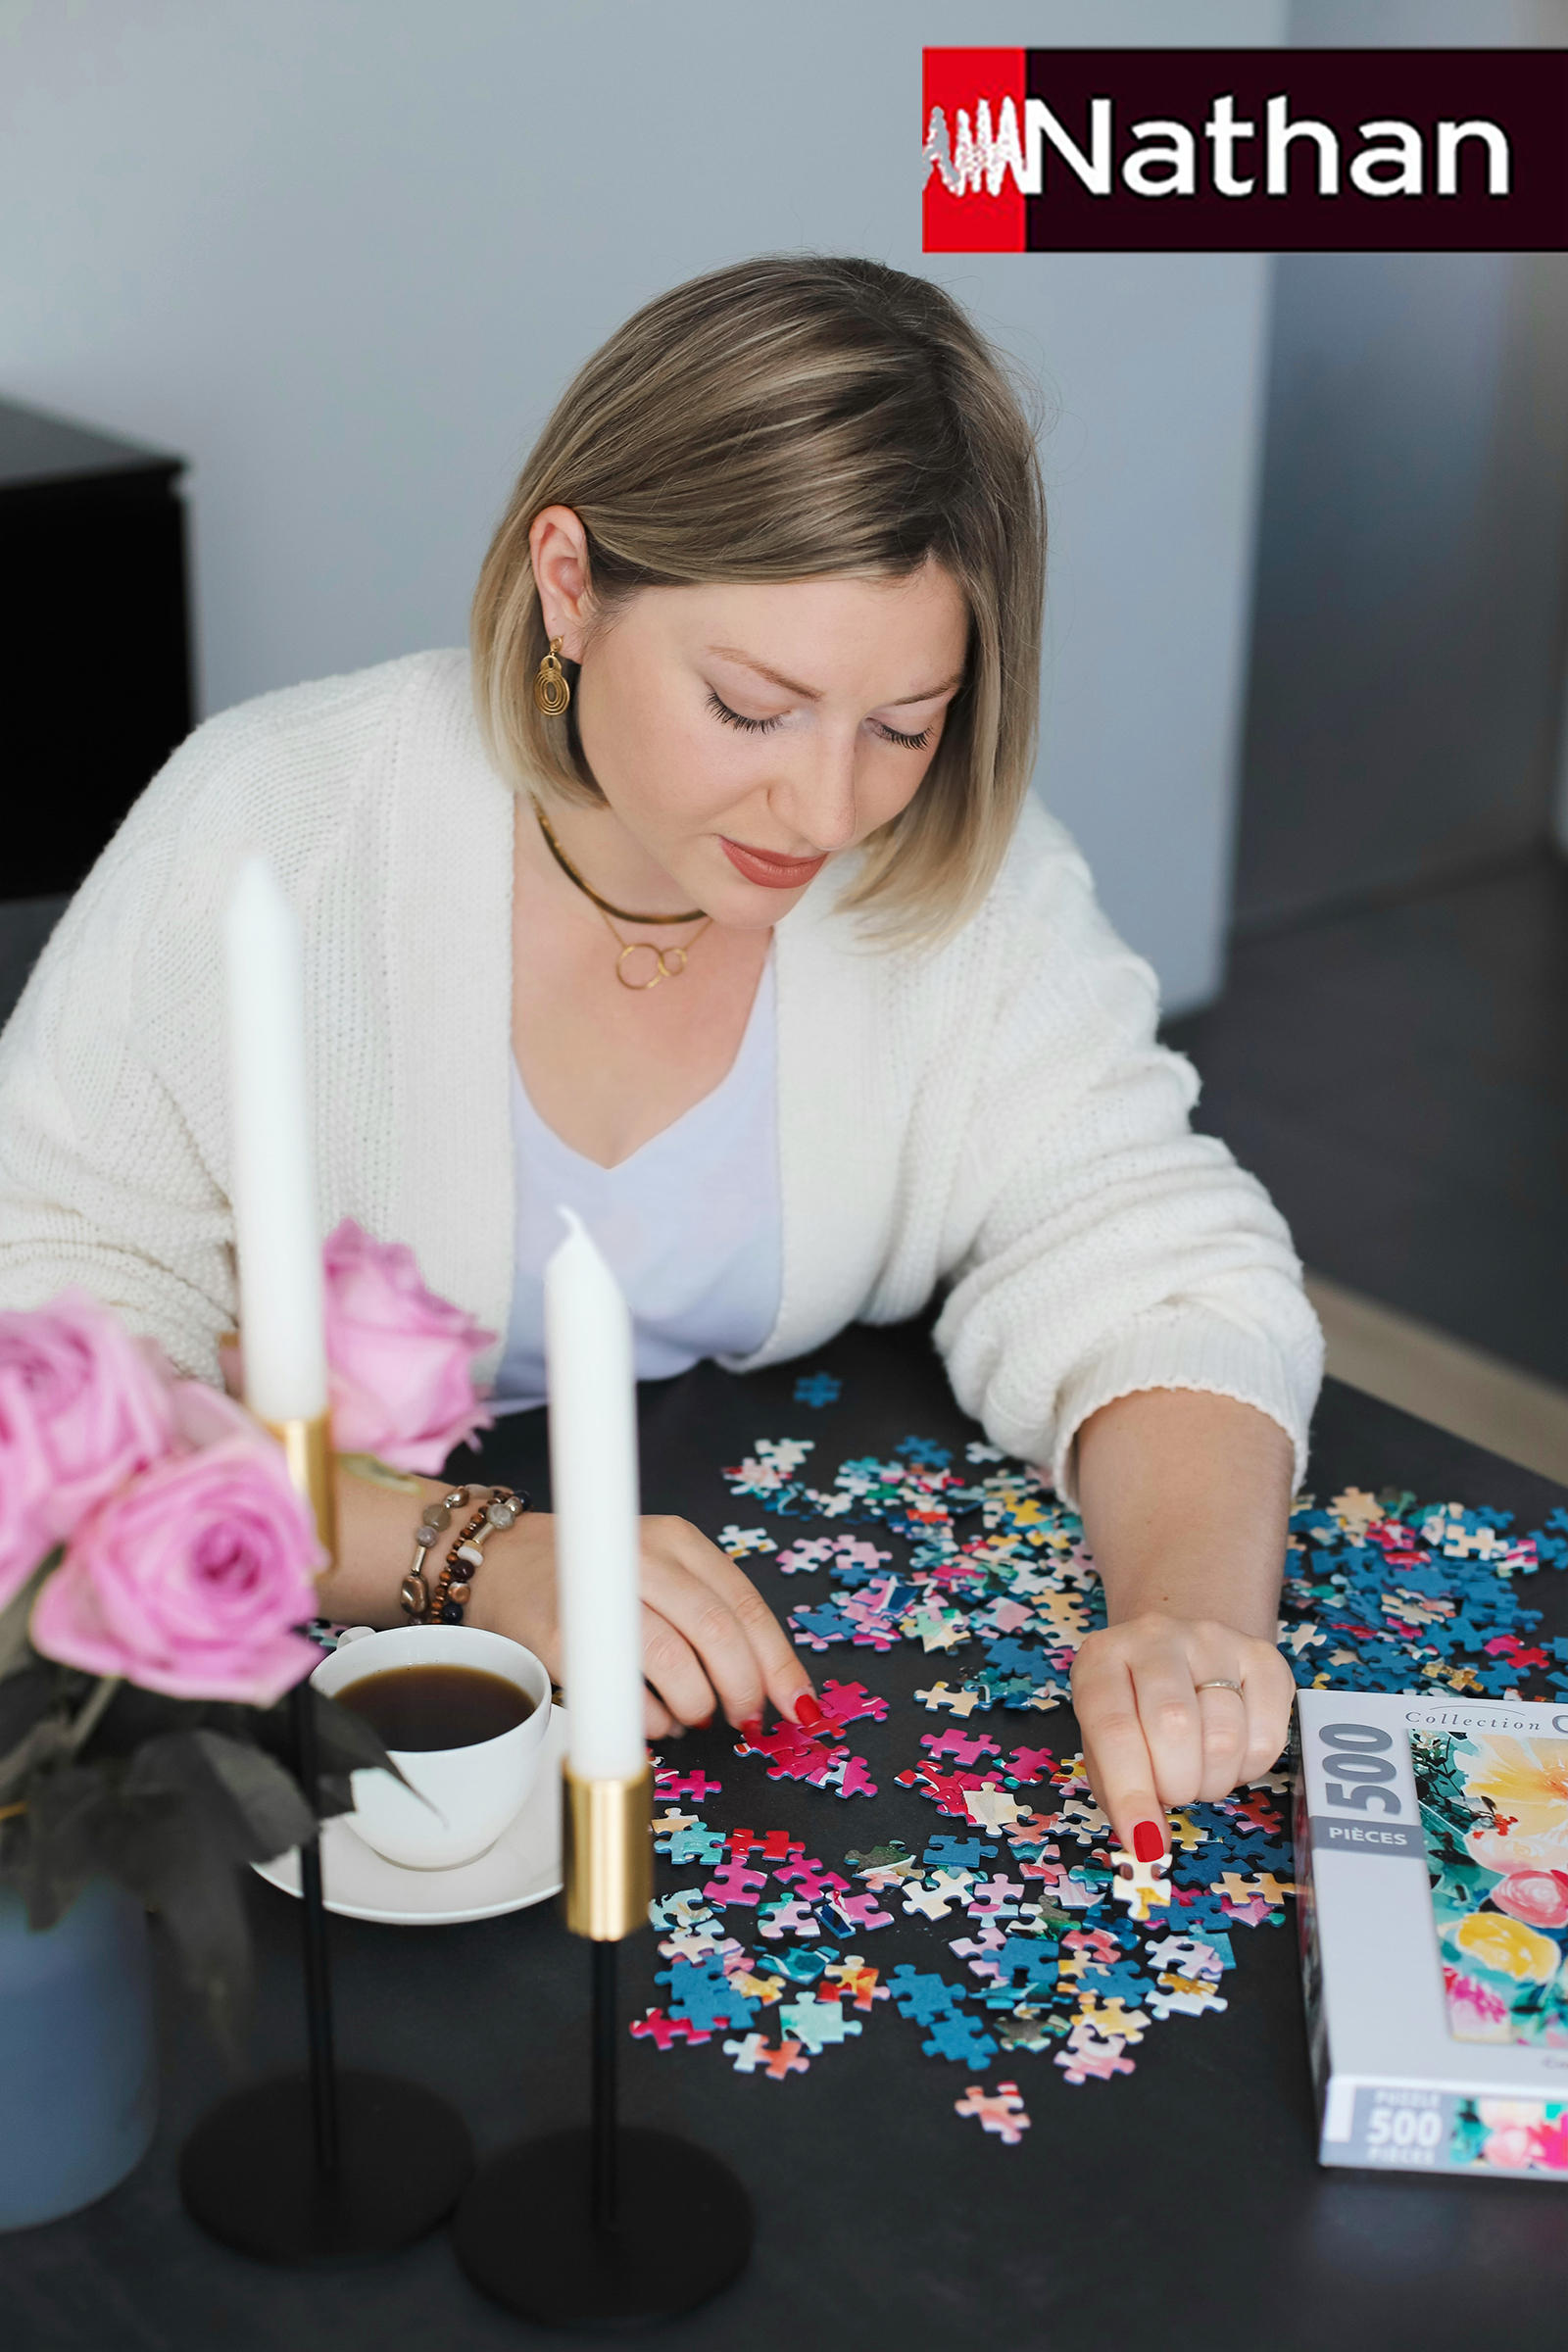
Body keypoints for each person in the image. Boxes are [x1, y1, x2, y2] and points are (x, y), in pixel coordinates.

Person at [0, 256, 1319, 1864]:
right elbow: (38, 1341)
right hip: (307, 1718)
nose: (825, 813)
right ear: (569, 582)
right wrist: (472, 1556)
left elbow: (1153, 1260)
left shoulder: (961, 879)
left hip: (746, 1688)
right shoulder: (273, 825)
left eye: (903, 725)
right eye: (753, 708)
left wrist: (1190, 1621)